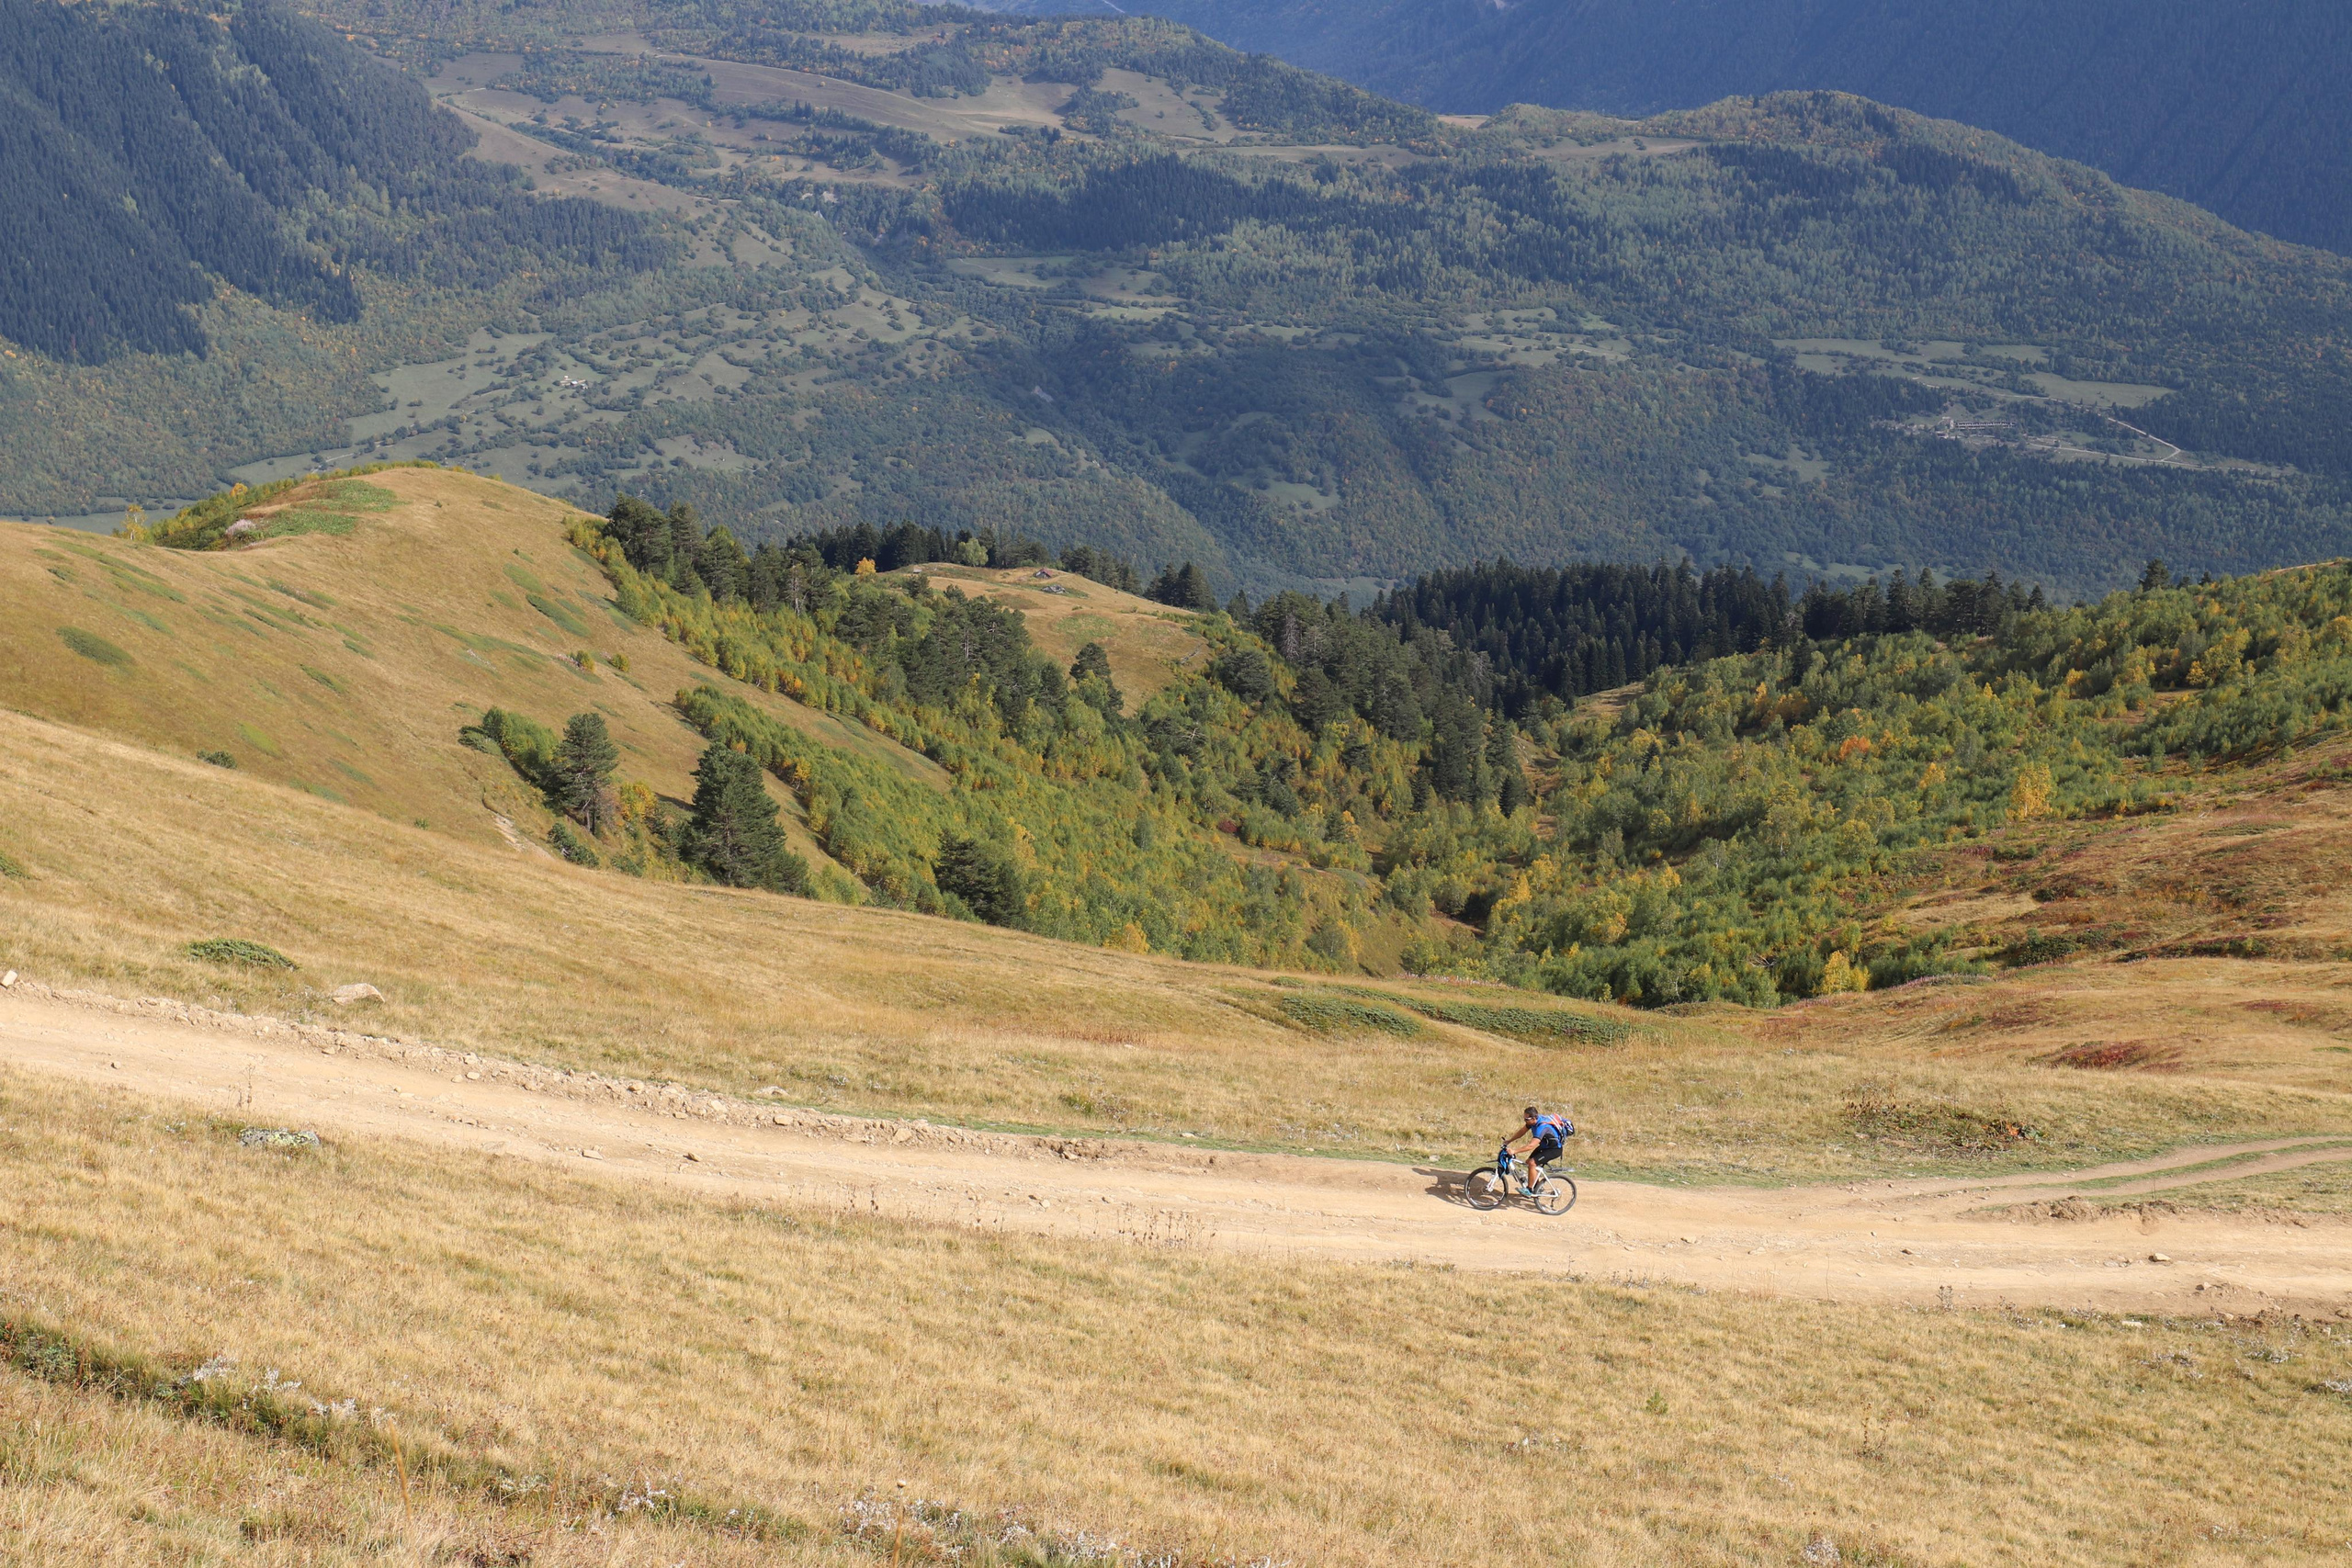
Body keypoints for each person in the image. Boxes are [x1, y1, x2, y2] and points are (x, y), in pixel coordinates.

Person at [1501, 1105, 1572, 1193]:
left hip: (1554, 1150)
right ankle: (1537, 1187)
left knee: (1532, 1163)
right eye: (1524, 1119)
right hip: (1545, 1147)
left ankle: (1529, 1190)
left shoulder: (1542, 1127)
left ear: (1534, 1118)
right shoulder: (1532, 1122)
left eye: (1526, 1119)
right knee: (1528, 1162)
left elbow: (1531, 1146)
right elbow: (1522, 1132)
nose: (1525, 1121)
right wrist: (1509, 1140)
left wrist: (1514, 1151)